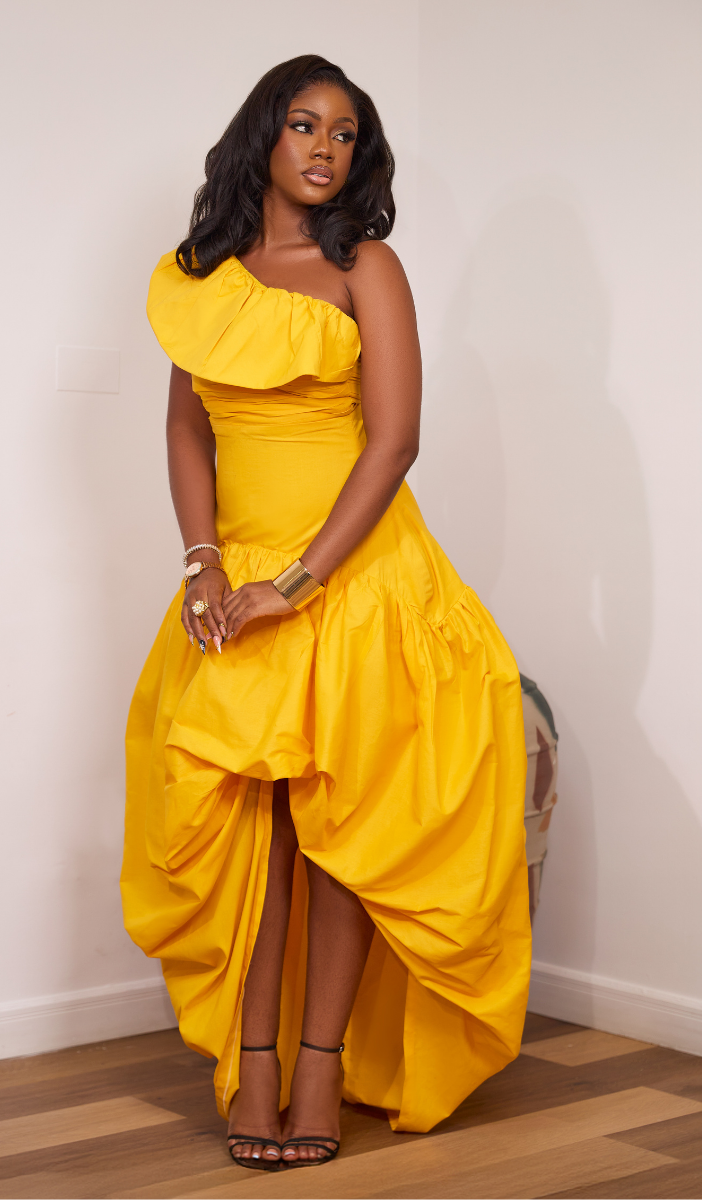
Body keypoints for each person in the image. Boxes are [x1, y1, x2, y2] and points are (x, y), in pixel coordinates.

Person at [121, 53, 531, 1171]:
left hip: (352, 578)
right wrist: (205, 567)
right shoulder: (201, 277)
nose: (323, 149)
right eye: (304, 124)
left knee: (339, 835)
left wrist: (293, 585)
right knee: (252, 835)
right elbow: (187, 430)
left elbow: (393, 443)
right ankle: (251, 1068)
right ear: (262, 134)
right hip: (235, 582)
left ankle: (318, 1068)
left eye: (345, 134)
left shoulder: (367, 267)